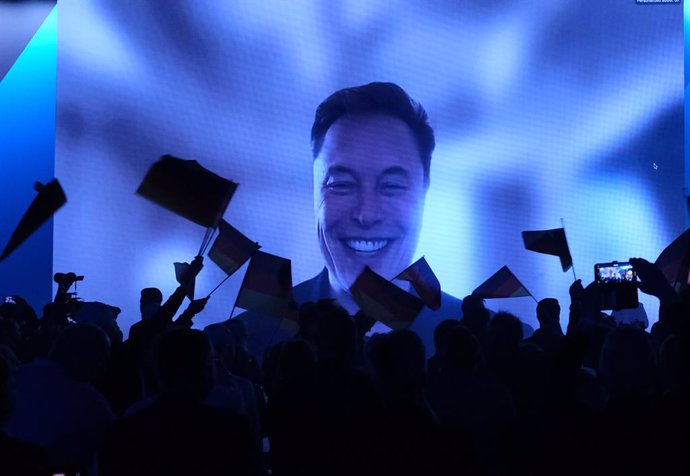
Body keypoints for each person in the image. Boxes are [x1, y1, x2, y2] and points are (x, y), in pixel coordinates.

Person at [241, 82, 462, 359]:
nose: (366, 215)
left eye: (392, 186)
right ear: (312, 187)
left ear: (425, 189)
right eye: (341, 184)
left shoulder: (484, 344)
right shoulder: (246, 343)